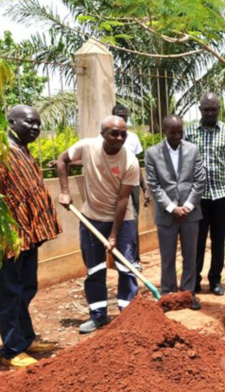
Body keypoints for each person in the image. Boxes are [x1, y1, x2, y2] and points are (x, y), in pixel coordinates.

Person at [57, 115, 140, 334]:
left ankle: (130, 315)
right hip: (91, 218)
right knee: (95, 269)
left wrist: (113, 235)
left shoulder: (130, 161)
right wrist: (64, 191)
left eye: (123, 133)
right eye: (114, 133)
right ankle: (98, 315)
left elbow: (122, 201)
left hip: (122, 221)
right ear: (102, 133)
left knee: (126, 267)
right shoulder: (87, 146)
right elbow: (61, 160)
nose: (119, 138)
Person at [0, 105, 62, 368]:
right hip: (10, 239)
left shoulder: (23, 151)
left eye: (38, 123)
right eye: (29, 123)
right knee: (10, 293)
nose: (36, 128)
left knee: (27, 288)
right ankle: (13, 348)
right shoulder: (3, 152)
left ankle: (25, 338)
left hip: (29, 235)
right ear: (11, 122)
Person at [185, 93, 225, 295]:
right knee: (198, 241)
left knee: (218, 240)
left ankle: (215, 280)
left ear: (219, 110)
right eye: (206, 109)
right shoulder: (190, 132)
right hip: (198, 198)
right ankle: (194, 281)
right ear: (200, 109)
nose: (210, 113)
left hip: (223, 196)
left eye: (214, 109)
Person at [145, 115, 206, 310]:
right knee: (167, 258)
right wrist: (172, 207)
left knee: (190, 256)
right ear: (164, 131)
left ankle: (187, 295)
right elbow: (153, 185)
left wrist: (187, 206)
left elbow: (200, 181)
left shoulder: (193, 150)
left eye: (180, 132)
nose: (177, 136)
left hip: (190, 215)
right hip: (166, 216)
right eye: (173, 132)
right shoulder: (152, 153)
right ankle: (168, 295)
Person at [112, 104, 151, 270]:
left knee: (132, 223)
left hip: (133, 186)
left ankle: (135, 259)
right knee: (115, 223)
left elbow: (136, 165)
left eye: (125, 116)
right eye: (119, 116)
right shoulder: (108, 136)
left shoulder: (133, 138)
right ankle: (118, 260)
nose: (122, 119)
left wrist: (145, 188)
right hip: (114, 186)